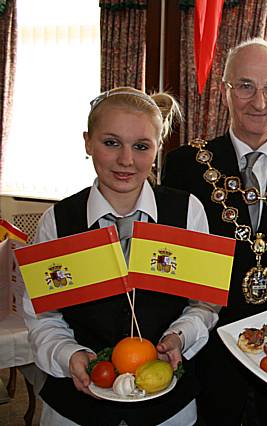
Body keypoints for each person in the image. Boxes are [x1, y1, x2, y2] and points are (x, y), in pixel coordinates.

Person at [23, 87, 219, 426]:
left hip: (167, 409)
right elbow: (42, 316)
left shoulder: (188, 212)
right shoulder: (58, 220)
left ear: (157, 149)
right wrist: (69, 355)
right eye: (111, 142)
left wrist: (180, 336)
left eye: (141, 146)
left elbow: (203, 304)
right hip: (75, 411)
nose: (126, 160)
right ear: (88, 142)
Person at [162, 38, 267, 425]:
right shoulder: (186, 165)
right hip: (206, 341)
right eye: (246, 86)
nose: (259, 102)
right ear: (225, 90)